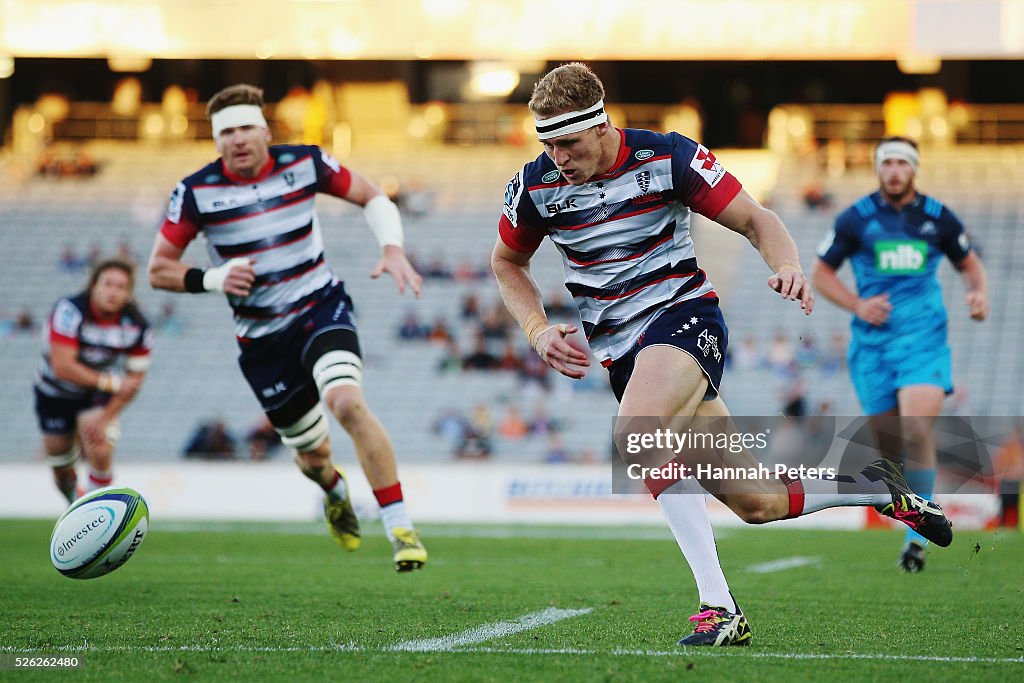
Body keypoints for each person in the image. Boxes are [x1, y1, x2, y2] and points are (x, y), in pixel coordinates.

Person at [491, 63, 953, 647]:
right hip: (620, 352)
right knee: (756, 502)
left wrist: (787, 265)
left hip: (683, 320)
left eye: (569, 142)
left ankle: (719, 609)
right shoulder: (535, 186)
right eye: (548, 143)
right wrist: (536, 329)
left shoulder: (669, 158)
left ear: (602, 125)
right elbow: (507, 262)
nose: (558, 155)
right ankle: (881, 486)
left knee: (635, 434)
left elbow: (758, 220)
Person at [147, 84, 427, 572]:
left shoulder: (306, 162)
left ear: (265, 131)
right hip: (262, 341)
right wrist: (213, 278)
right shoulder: (194, 192)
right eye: (226, 132)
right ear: (216, 141)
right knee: (313, 457)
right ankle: (334, 490)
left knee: (347, 401)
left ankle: (401, 528)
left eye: (246, 128)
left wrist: (393, 247)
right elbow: (158, 269)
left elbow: (371, 196)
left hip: (319, 307)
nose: (238, 139)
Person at [811, 136, 989, 572]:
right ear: (877, 168)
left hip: (923, 339)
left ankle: (916, 539)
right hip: (872, 347)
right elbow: (820, 273)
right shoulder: (856, 218)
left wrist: (978, 292)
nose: (894, 170)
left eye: (901, 163)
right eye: (886, 162)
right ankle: (911, 512)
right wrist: (858, 304)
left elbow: (969, 263)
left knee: (915, 430)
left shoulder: (937, 218)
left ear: (914, 168)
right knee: (889, 447)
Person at [34, 259, 150, 504]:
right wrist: (112, 383)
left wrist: (106, 417)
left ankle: (97, 516)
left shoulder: (138, 325)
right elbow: (63, 366)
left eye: (121, 287)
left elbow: (134, 380)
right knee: (61, 467)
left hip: (94, 395)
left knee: (100, 446)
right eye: (108, 284)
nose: (113, 292)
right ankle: (73, 504)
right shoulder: (69, 312)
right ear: (93, 286)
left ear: (129, 293)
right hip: (55, 393)